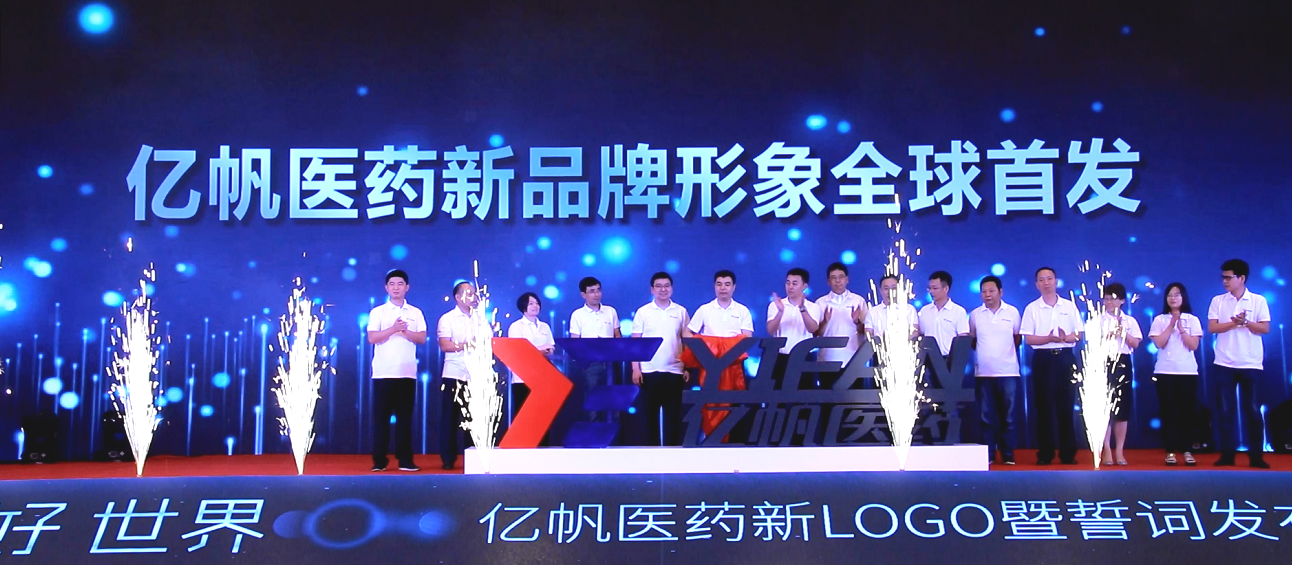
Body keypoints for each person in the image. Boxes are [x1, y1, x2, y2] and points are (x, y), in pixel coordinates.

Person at [1206, 259, 1271, 469]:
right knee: (1225, 411)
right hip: (1224, 362)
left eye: (1229, 277)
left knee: (1253, 410)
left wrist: (1246, 322)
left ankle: (1256, 456)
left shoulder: (1258, 300)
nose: (1225, 281)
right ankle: (1227, 455)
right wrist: (1234, 323)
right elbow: (1213, 328)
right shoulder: (1218, 301)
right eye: (1223, 277)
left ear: (1241, 278)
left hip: (1251, 362)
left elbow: (1264, 328)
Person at [1020, 266, 1083, 465]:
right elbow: (1028, 339)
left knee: (1066, 406)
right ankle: (1045, 454)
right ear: (1036, 284)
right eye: (1041, 279)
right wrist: (1048, 338)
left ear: (1056, 281)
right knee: (1044, 407)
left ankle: (1068, 454)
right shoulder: (1032, 308)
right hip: (1043, 359)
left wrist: (1065, 338)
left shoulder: (1069, 306)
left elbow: (1079, 334)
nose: (1046, 283)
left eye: (1049, 278)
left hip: (1066, 358)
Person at [366, 269, 427, 472]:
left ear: (407, 287)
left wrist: (404, 331)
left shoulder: (415, 312)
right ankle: (379, 461)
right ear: (386, 287)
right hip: (383, 372)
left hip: (407, 372)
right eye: (392, 284)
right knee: (381, 419)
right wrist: (393, 329)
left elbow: (421, 338)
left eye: (400, 284)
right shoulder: (378, 312)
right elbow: (372, 338)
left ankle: (405, 460)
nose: (396, 288)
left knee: (405, 419)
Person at [684, 269, 754, 437]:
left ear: (734, 287)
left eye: (727, 284)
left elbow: (747, 337)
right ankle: (712, 441)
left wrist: (725, 346)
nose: (723, 288)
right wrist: (707, 347)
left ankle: (734, 444)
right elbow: (687, 333)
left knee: (735, 405)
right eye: (719, 284)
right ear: (714, 286)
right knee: (710, 404)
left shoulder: (742, 310)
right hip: (710, 366)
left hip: (733, 365)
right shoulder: (705, 309)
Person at [631, 272, 690, 446]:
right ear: (652, 289)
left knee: (673, 416)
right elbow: (636, 343)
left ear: (671, 288)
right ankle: (652, 454)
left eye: (666, 286)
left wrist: (687, 366)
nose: (663, 289)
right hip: (648, 370)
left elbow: (687, 341)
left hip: (674, 370)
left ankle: (672, 454)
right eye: (658, 286)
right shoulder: (643, 312)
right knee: (649, 417)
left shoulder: (681, 311)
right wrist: (636, 369)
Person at [437, 281, 491, 470]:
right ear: (458, 297)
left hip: (476, 375)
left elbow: (489, 342)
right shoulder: (447, 318)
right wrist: (467, 344)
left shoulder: (481, 319)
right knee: (450, 418)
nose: (473, 296)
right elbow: (445, 345)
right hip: (454, 373)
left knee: (475, 419)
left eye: (474, 293)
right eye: (469, 293)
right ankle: (448, 458)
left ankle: (475, 457)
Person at [968, 275, 1022, 465]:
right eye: (984, 291)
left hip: (1008, 372)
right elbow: (972, 340)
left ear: (1001, 292)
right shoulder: (975, 315)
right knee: (986, 417)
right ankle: (989, 453)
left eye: (991, 291)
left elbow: (1017, 338)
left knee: (1009, 417)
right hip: (983, 373)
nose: (987, 295)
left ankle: (1008, 453)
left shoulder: (1012, 312)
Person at [1148, 282, 1202, 466]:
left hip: (1187, 372)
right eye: (1170, 295)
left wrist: (1182, 328)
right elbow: (1159, 343)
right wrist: (1172, 323)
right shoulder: (1159, 320)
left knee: (1187, 412)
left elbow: (1193, 345)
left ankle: (1187, 450)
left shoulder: (1192, 319)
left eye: (1177, 295)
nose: (1173, 298)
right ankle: (1170, 451)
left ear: (1183, 297)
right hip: (1165, 372)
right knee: (1168, 412)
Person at [1098, 283, 1142, 467]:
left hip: (1123, 362)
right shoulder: (1098, 320)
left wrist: (1122, 332)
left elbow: (1136, 344)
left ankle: (1120, 450)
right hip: (1103, 362)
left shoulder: (1130, 321)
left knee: (1122, 408)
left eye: (1113, 298)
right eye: (1106, 298)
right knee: (1105, 408)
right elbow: (1092, 344)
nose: (1109, 302)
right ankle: (1107, 449)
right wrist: (1109, 335)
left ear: (1122, 300)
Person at [569, 276, 621, 419]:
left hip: (611, 362)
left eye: (598, 290)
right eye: (592, 291)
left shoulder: (610, 311)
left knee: (615, 402)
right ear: (583, 294)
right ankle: (594, 431)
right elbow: (575, 341)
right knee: (593, 403)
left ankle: (615, 431)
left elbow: (617, 335)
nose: (596, 294)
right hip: (591, 364)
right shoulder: (577, 315)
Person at [506, 292, 555, 438]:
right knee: (524, 419)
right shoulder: (516, 327)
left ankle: (543, 449)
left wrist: (541, 350)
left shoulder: (545, 327)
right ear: (523, 306)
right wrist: (540, 349)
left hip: (543, 378)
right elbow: (518, 352)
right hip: (522, 379)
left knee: (543, 419)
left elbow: (551, 348)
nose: (535, 306)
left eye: (537, 303)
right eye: (531, 303)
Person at [766, 267, 821, 385]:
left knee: (804, 392)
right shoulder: (775, 305)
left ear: (804, 286)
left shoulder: (813, 307)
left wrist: (802, 308)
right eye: (788, 283)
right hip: (780, 358)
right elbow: (770, 330)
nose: (790, 287)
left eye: (794, 283)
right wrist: (780, 312)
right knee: (778, 392)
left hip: (804, 358)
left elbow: (813, 328)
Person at [814, 262, 867, 387]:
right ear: (828, 281)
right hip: (827, 360)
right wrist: (825, 321)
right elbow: (815, 334)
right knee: (827, 397)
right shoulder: (820, 303)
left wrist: (857, 321)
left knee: (854, 398)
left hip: (853, 360)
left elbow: (866, 332)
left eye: (841, 277)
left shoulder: (858, 300)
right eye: (833, 278)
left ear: (847, 279)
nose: (838, 281)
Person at [917, 270, 970, 361]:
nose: (931, 292)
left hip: (950, 360)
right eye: (929, 288)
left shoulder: (958, 311)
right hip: (928, 359)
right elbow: (921, 334)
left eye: (935, 288)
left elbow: (963, 339)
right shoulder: (924, 311)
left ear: (946, 289)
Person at [864, 275, 918, 340]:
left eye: (894, 288)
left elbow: (914, 332)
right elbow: (868, 335)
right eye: (886, 288)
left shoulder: (909, 309)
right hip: (879, 346)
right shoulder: (872, 312)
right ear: (881, 291)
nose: (890, 292)